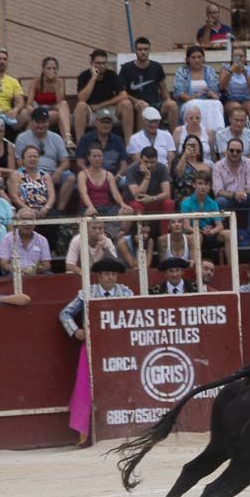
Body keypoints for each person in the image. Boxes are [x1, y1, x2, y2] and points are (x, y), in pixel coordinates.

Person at [60, 258, 133, 446]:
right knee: (86, 386)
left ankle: (125, 430)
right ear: (99, 276)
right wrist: (76, 331)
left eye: (114, 274)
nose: (111, 277)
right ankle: (85, 433)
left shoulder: (126, 293)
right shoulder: (87, 294)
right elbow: (65, 313)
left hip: (119, 347)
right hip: (92, 347)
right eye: (107, 274)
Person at [212, 138, 250, 242]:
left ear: (242, 152)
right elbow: (218, 191)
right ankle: (224, 234)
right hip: (228, 199)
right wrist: (234, 195)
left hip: (244, 197)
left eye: (238, 151)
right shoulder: (218, 166)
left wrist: (242, 193)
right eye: (232, 150)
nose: (234, 153)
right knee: (220, 201)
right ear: (227, 150)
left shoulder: (249, 164)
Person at [173, 46, 225, 133]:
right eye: (193, 57)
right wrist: (194, 97)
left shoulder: (209, 70)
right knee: (195, 103)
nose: (197, 60)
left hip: (208, 101)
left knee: (217, 103)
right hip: (188, 102)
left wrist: (211, 94)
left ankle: (217, 133)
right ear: (188, 59)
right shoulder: (182, 72)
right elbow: (179, 93)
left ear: (203, 58)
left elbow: (215, 90)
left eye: (199, 57)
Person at [26, 57, 74, 145]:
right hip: (38, 110)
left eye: (54, 69)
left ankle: (68, 138)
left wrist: (55, 84)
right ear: (43, 70)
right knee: (41, 115)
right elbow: (29, 104)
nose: (52, 71)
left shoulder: (59, 82)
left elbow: (60, 103)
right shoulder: (36, 82)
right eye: (48, 68)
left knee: (63, 105)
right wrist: (38, 111)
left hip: (52, 111)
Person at [123, 145, 175, 223]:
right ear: (140, 159)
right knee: (137, 206)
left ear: (157, 160)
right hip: (136, 201)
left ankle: (165, 234)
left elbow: (167, 194)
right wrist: (147, 177)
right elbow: (138, 196)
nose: (149, 165)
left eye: (152, 162)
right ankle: (142, 233)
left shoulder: (162, 168)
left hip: (155, 199)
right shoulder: (131, 169)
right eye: (146, 162)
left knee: (169, 203)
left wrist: (153, 198)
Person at [218, 48, 250, 135]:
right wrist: (231, 71)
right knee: (236, 107)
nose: (238, 59)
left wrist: (246, 74)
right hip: (230, 100)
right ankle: (237, 135)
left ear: (245, 58)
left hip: (246, 99)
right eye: (235, 56)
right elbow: (221, 87)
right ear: (231, 58)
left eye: (241, 56)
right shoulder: (225, 68)